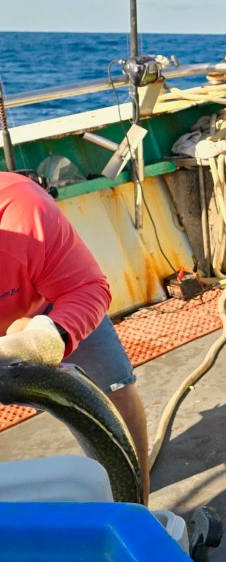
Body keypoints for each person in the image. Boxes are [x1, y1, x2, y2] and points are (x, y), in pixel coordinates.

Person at [0, 170, 149, 501]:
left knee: (114, 392)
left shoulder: (25, 210)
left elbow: (86, 288)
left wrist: (49, 336)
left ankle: (135, 504)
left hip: (54, 306)